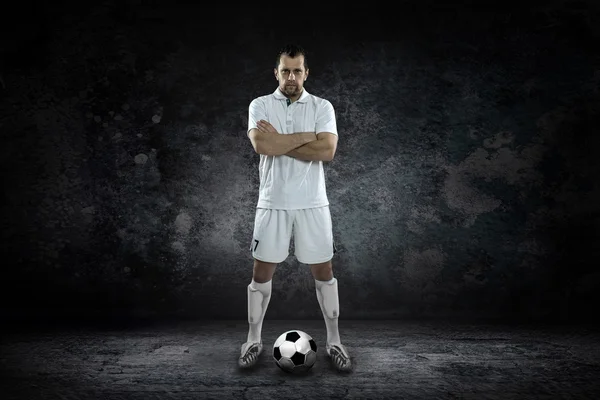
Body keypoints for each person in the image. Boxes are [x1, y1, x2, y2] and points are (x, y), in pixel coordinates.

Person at [238, 44, 352, 372]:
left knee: (325, 273)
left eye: (297, 70)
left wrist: (282, 141)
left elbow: (328, 150)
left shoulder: (322, 106)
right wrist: (306, 139)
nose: (291, 77)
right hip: (271, 202)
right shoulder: (259, 104)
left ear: (306, 72)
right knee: (260, 274)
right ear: (276, 72)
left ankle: (334, 341)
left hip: (313, 203)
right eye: (285, 70)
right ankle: (253, 339)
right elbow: (261, 144)